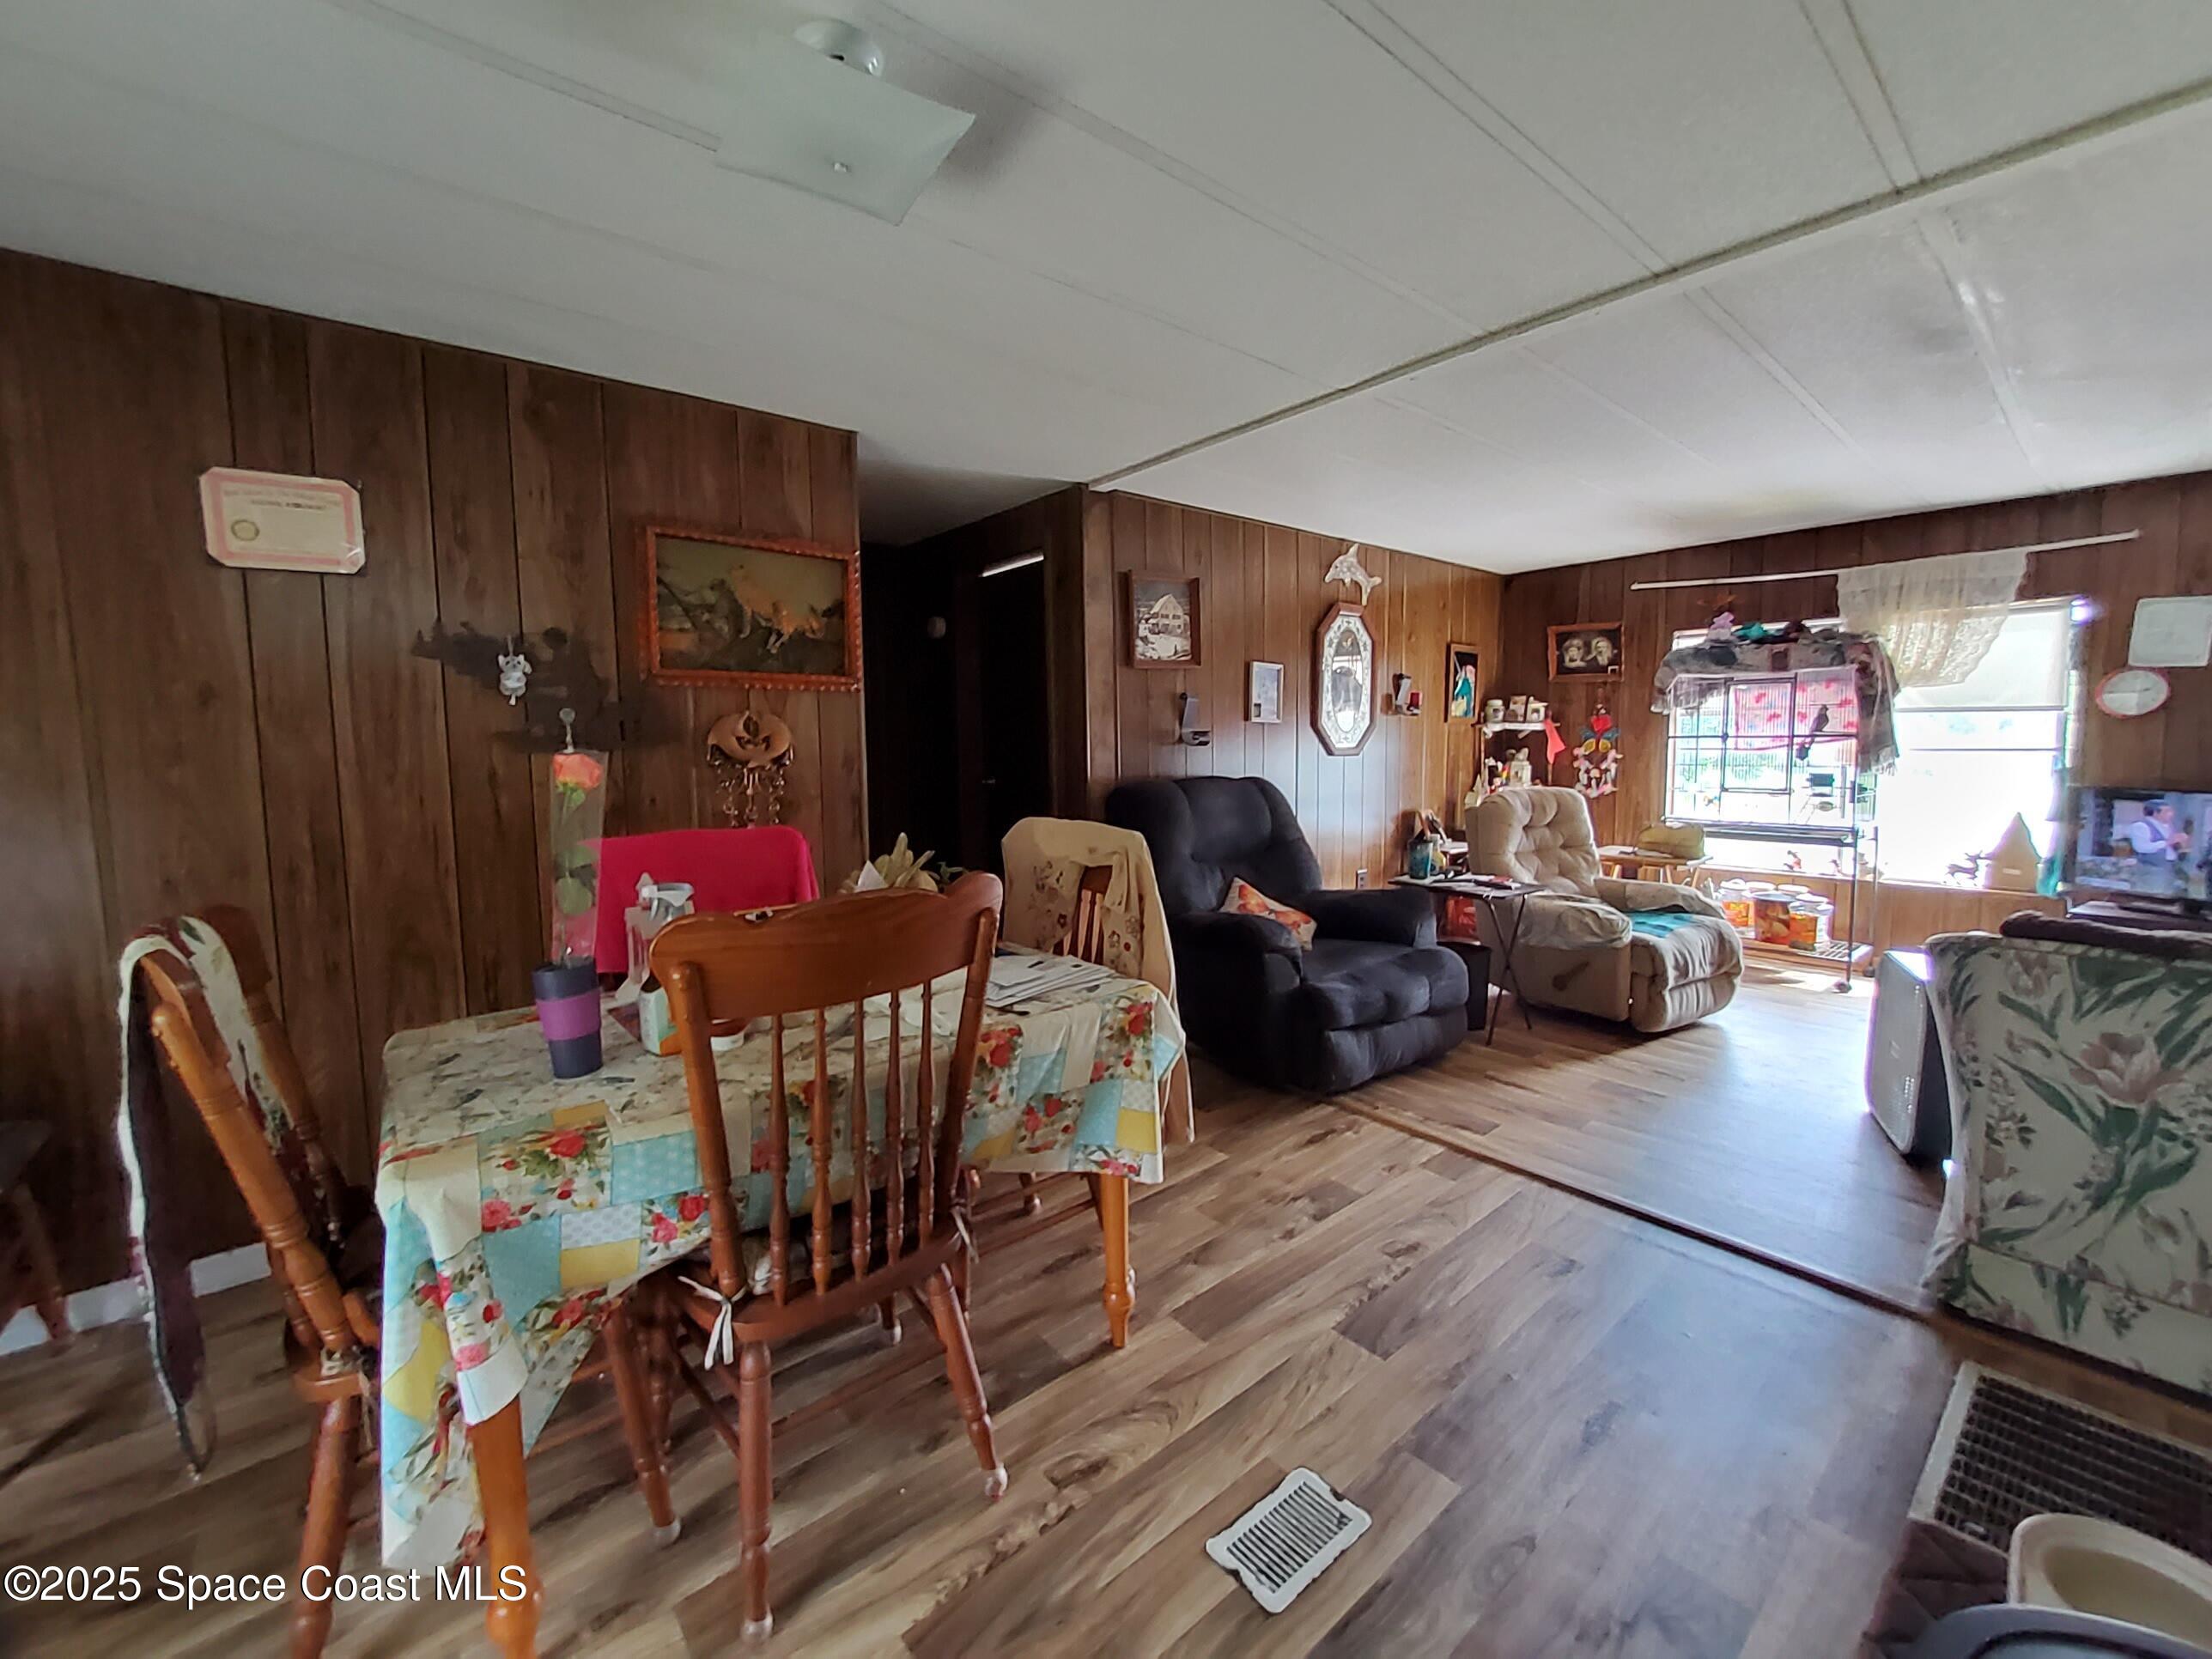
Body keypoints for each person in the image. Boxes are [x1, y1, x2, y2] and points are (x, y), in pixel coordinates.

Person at [2121, 799, 2185, 861]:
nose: (2171, 814)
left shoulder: (2169, 826)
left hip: (2171, 864)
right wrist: (2166, 843)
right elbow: (2141, 847)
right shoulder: (2141, 826)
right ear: (2155, 813)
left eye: (2171, 811)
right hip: (2151, 866)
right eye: (2167, 811)